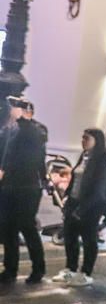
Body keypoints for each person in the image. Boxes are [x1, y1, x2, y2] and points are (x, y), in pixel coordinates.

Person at [51, 128, 106, 286]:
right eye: (82, 137)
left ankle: (86, 273)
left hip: (91, 207)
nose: (83, 140)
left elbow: (99, 192)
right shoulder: (84, 157)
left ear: (97, 141)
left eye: (87, 138)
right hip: (74, 202)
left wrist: (83, 209)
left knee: (89, 239)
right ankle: (70, 269)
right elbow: (75, 179)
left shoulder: (103, 163)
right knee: (70, 237)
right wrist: (67, 197)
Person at [0, 96, 47, 283]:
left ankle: (38, 269)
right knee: (8, 228)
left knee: (27, 227)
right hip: (10, 185)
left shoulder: (35, 130)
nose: (10, 110)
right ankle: (10, 269)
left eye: (13, 107)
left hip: (27, 187)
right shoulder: (10, 130)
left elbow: (36, 153)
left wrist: (23, 118)